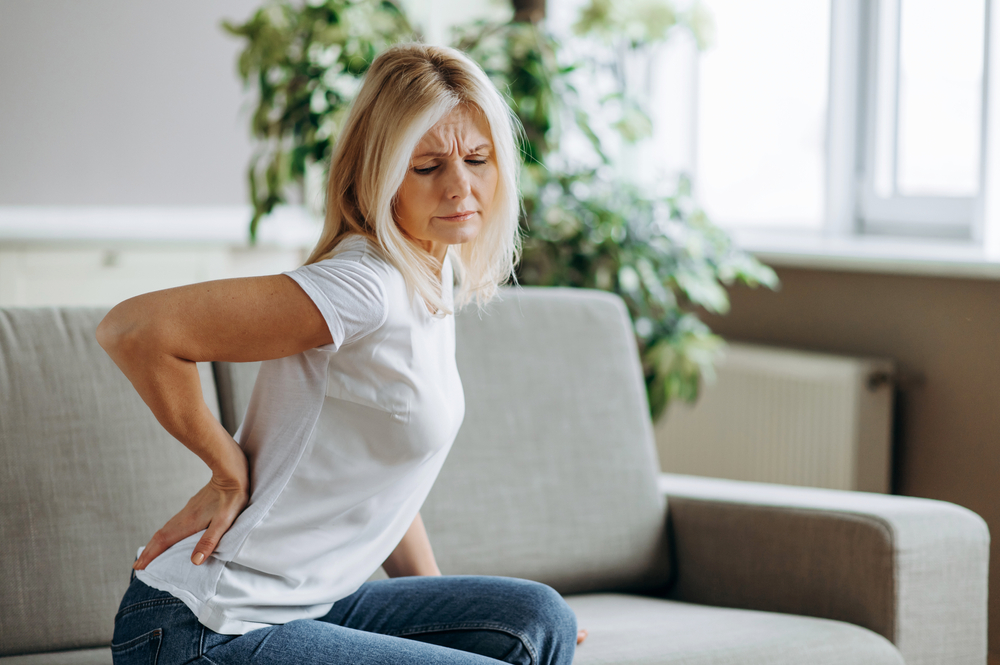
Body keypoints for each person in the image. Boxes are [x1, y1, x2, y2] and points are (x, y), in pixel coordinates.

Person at [98, 43, 585, 665]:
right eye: (428, 166)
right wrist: (227, 467)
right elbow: (134, 329)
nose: (461, 186)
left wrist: (447, 611)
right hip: (201, 626)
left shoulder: (434, 273)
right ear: (379, 178)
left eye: (478, 158)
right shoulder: (363, 285)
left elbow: (380, 471)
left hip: (312, 603)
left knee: (539, 618)